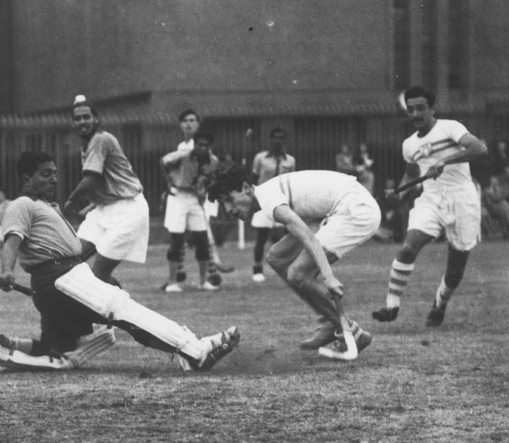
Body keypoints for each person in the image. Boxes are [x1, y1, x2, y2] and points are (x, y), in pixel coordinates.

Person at [0, 151, 240, 374]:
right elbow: (12, 240)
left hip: (57, 282)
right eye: (45, 174)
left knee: (60, 353)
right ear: (27, 178)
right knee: (121, 307)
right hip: (61, 277)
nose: (54, 179)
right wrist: (7, 270)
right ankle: (194, 350)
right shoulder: (22, 204)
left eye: (54, 173)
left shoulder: (46, 206)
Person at [207, 165, 378, 354]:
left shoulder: (269, 201)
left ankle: (352, 333)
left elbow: (308, 237)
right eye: (224, 204)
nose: (229, 209)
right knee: (277, 257)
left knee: (298, 274)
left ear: (246, 188)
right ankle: (330, 322)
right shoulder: (268, 194)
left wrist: (328, 277)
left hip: (356, 211)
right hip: (347, 205)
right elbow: (310, 224)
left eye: (229, 200)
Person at [372, 86, 488, 326]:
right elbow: (411, 174)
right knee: (407, 248)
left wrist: (444, 160)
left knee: (454, 272)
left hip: (462, 199)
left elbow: (479, 148)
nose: (415, 114)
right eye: (411, 109)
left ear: (432, 109)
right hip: (431, 200)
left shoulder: (450, 127)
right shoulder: (409, 145)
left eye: (421, 108)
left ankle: (440, 303)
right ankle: (391, 306)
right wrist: (398, 193)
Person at [63, 95, 149, 285]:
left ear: (96, 119)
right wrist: (92, 206)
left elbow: (91, 179)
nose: (82, 122)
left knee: (99, 275)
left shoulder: (100, 139)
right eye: (77, 118)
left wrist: (70, 201)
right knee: (70, 262)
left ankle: (120, 301)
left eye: (86, 117)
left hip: (128, 211)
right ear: (73, 123)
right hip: (104, 209)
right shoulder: (87, 144)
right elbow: (110, 182)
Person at [160, 130, 220, 292]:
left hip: (195, 198)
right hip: (178, 196)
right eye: (199, 144)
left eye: (206, 145)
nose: (202, 148)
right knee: (176, 240)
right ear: (195, 144)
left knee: (202, 239)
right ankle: (172, 282)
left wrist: (203, 190)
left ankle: (203, 282)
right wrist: (169, 182)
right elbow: (163, 161)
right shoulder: (183, 155)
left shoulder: (213, 160)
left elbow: (209, 177)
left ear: (210, 146)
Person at [249, 128, 296, 283]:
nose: (278, 141)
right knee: (261, 236)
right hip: (263, 201)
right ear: (270, 139)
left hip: (280, 201)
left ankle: (285, 268)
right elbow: (254, 178)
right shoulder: (260, 158)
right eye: (275, 137)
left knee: (283, 236)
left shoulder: (290, 160)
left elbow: (291, 182)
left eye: (281, 138)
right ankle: (257, 269)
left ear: (285, 140)